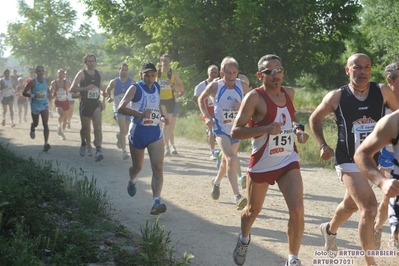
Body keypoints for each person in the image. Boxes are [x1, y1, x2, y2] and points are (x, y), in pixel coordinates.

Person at [309, 53, 399, 266]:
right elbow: (314, 118)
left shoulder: (382, 92)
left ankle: (329, 229)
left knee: (350, 205)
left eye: (367, 67)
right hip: (347, 160)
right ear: (347, 70)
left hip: (370, 161)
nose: (362, 72)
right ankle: (370, 263)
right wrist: (322, 145)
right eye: (357, 67)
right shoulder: (337, 97)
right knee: (369, 207)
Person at [230, 54, 309, 266]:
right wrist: (264, 129)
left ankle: (292, 258)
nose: (275, 75)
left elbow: (292, 120)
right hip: (263, 161)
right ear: (260, 75)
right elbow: (236, 132)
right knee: (252, 211)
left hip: (287, 160)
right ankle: (244, 239)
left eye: (279, 70)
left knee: (298, 210)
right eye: (269, 71)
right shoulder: (254, 98)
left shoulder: (289, 93)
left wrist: (299, 131)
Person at [198, 56, 250, 211]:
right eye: (228, 73)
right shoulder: (215, 86)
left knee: (226, 162)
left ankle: (216, 182)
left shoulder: (243, 86)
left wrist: (241, 106)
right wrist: (207, 117)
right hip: (220, 129)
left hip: (235, 130)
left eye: (234, 72)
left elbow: (254, 102)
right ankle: (237, 197)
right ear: (222, 73)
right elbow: (201, 99)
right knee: (231, 159)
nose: (231, 75)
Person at [117, 62, 169, 215]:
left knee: (158, 167)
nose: (150, 78)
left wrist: (162, 116)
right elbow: (121, 107)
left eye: (152, 75)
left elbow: (157, 104)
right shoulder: (135, 88)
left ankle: (156, 202)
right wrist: (140, 114)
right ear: (141, 75)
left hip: (154, 132)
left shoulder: (157, 87)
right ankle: (132, 180)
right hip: (138, 132)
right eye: (147, 75)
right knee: (137, 167)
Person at [371, 62, 399, 250]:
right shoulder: (380, 103)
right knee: (388, 197)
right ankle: (382, 229)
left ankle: (391, 233)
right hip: (387, 154)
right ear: (390, 80)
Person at [70, 53, 106, 162]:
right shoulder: (82, 74)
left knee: (98, 127)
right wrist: (85, 88)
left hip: (95, 104)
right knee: (85, 128)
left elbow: (102, 89)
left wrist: (104, 98)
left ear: (95, 62)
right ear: (85, 63)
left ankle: (98, 150)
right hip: (85, 104)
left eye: (93, 61)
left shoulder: (99, 73)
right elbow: (72, 89)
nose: (91, 63)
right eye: (89, 61)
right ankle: (83, 143)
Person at [105, 63, 135, 160]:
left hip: (128, 109)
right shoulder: (114, 82)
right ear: (119, 70)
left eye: (126, 70)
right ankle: (124, 151)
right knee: (123, 129)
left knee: (125, 131)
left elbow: (138, 91)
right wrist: (109, 97)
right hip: (118, 108)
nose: (124, 72)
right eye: (122, 70)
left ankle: (119, 137)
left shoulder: (131, 81)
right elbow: (107, 90)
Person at [157, 54, 184, 155]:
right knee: (165, 123)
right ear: (160, 62)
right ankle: (167, 147)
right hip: (160, 101)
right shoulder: (157, 72)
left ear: (170, 62)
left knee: (169, 126)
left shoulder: (173, 73)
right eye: (163, 61)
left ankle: (170, 146)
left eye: (167, 61)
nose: (165, 63)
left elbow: (182, 88)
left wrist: (172, 84)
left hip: (171, 100)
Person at [22, 66, 52, 152]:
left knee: (45, 123)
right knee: (36, 123)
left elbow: (48, 90)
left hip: (44, 104)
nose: (41, 72)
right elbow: (24, 93)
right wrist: (33, 95)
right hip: (35, 105)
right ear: (36, 72)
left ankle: (46, 143)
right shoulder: (32, 82)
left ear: (44, 72)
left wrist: (49, 94)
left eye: (42, 71)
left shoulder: (47, 80)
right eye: (39, 71)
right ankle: (32, 127)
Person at [193, 64, 219, 160]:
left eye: (215, 72)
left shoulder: (220, 83)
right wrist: (202, 109)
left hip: (218, 110)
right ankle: (212, 152)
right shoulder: (202, 85)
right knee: (212, 129)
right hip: (207, 111)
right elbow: (195, 98)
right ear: (208, 73)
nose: (213, 74)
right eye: (211, 72)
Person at [50, 69, 71, 140]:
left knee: (65, 119)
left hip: (65, 101)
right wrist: (52, 93)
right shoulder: (54, 82)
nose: (60, 75)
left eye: (62, 74)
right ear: (57, 74)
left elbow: (72, 88)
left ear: (64, 75)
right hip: (58, 102)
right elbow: (51, 90)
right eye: (59, 73)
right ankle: (59, 127)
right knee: (61, 114)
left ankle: (62, 132)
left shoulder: (67, 82)